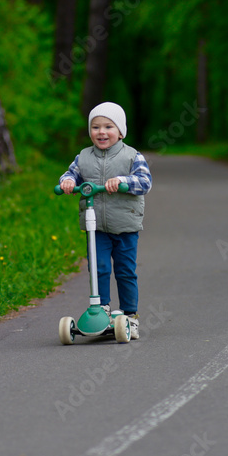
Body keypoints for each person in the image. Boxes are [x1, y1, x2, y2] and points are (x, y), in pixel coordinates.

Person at [59, 102, 152, 339]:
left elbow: (144, 182)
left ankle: (130, 315)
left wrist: (122, 181)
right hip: (96, 226)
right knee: (97, 268)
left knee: (124, 271)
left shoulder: (132, 156)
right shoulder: (83, 157)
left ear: (120, 131)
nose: (101, 132)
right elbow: (71, 174)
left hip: (125, 226)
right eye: (95, 127)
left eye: (108, 127)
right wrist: (67, 182)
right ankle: (102, 309)